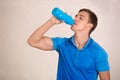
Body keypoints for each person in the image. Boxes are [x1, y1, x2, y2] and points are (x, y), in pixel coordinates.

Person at [27, 8, 110, 80]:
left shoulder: (99, 53)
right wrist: (51, 21)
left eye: (81, 18)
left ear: (89, 26)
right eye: (76, 16)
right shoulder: (62, 44)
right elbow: (33, 41)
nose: (75, 19)